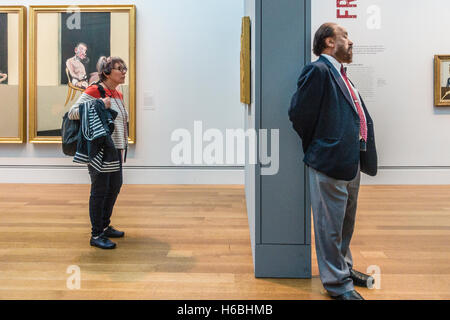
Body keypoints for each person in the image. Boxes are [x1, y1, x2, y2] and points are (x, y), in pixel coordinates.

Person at [288, 23, 378, 300]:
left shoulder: (342, 74)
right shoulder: (318, 70)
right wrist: (324, 144)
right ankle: (337, 285)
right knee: (329, 227)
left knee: (344, 224)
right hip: (330, 162)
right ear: (328, 42)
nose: (351, 42)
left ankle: (344, 269)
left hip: (350, 162)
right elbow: (298, 114)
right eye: (345, 37)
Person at [69, 56, 129, 249]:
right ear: (106, 72)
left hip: (115, 149)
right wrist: (101, 104)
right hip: (101, 149)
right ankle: (96, 234)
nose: (123, 72)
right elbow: (73, 112)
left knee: (114, 186)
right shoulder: (96, 90)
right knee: (100, 190)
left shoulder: (118, 93)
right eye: (119, 69)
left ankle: (104, 225)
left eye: (124, 68)